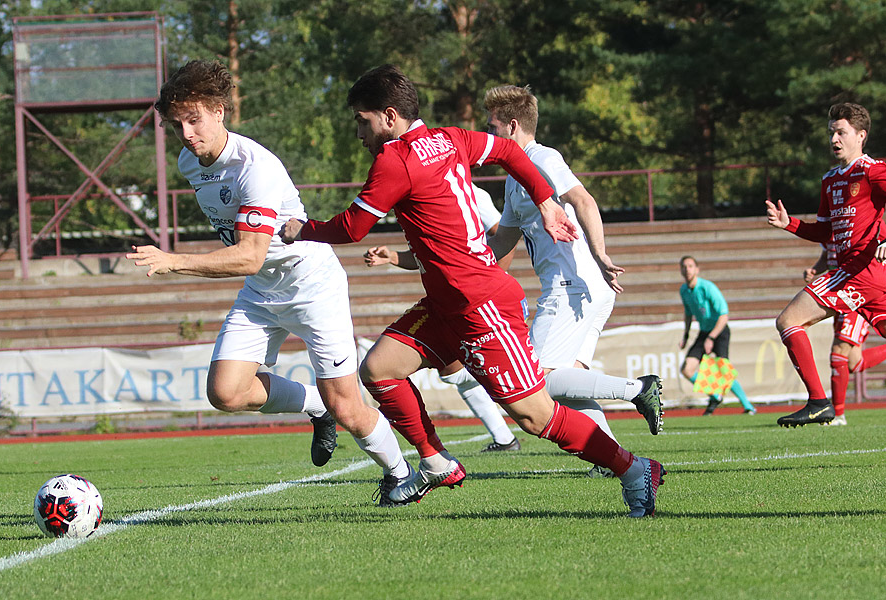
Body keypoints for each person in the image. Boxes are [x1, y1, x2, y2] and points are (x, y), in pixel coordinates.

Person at [281, 65, 665, 517]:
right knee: (380, 369)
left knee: (535, 416)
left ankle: (634, 468)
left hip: (481, 306)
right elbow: (507, 150)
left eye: (361, 122)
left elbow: (352, 227)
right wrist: (543, 200)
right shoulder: (451, 138)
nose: (359, 133)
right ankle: (436, 462)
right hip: (449, 304)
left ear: (388, 116)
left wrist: (300, 228)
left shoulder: (394, 159)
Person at [127, 60, 412, 494]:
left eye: (194, 119)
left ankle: (400, 474)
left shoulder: (254, 167)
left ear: (219, 111)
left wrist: (173, 260)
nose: (186, 133)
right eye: (176, 124)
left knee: (350, 408)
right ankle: (315, 405)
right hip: (263, 291)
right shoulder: (190, 160)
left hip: (311, 285)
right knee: (225, 392)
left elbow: (249, 257)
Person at [478, 84, 664, 478]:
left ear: (512, 126)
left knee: (539, 379)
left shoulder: (542, 158)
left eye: (491, 127)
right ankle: (611, 458)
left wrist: (599, 253)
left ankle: (637, 389)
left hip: (573, 287)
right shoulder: (514, 177)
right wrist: (462, 266)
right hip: (582, 289)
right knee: (570, 380)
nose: (487, 135)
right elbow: (504, 241)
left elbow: (584, 200)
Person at [364, 185, 521, 452]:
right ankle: (504, 439)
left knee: (529, 390)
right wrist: (392, 257)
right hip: (456, 302)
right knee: (454, 371)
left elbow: (503, 238)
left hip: (482, 301)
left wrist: (489, 284)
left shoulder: (467, 192)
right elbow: (428, 254)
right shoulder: (426, 194)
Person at [766, 101, 886, 427]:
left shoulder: (872, 169)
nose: (834, 139)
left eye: (841, 132)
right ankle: (820, 402)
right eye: (831, 132)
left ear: (860, 135)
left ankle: (820, 402)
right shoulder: (831, 179)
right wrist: (789, 223)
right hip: (866, 275)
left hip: (858, 272)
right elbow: (825, 231)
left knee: (789, 320)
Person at [802, 246, 886, 426]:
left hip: (856, 293)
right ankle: (837, 414)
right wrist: (815, 270)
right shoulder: (830, 228)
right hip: (837, 293)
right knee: (854, 362)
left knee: (838, 354)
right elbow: (827, 256)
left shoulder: (854, 225)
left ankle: (837, 415)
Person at [677, 256, 756, 415]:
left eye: (691, 266)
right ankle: (715, 395)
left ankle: (749, 407)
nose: (687, 269)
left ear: (697, 269)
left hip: (719, 331)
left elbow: (723, 315)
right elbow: (688, 314)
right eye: (684, 267)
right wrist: (686, 335)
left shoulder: (707, 287)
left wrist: (711, 338)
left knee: (723, 371)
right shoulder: (684, 290)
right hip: (704, 332)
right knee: (687, 369)